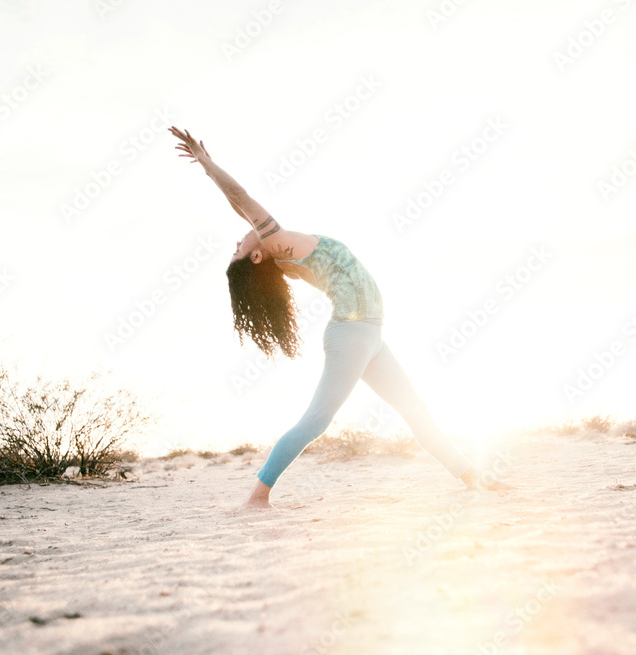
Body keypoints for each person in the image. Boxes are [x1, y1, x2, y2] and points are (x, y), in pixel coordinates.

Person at [169, 127, 513, 509]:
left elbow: (240, 206)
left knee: (416, 411)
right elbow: (241, 198)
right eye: (237, 249)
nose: (238, 241)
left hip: (370, 335)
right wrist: (206, 163)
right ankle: (257, 495)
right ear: (256, 256)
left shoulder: (279, 251)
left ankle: (471, 477)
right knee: (316, 421)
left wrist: (208, 167)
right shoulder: (279, 244)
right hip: (351, 334)